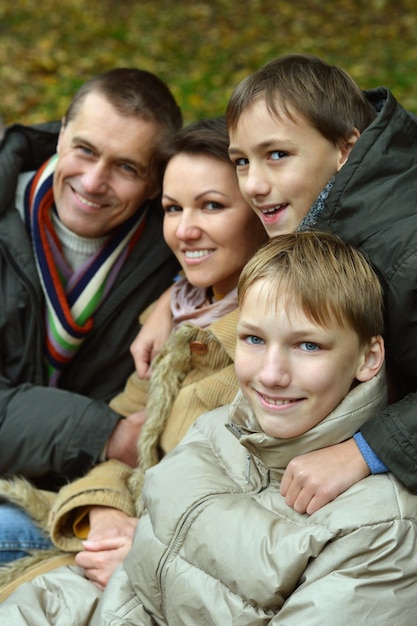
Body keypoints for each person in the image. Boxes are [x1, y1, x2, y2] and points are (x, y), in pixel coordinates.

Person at [4, 231, 417, 624]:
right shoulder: (214, 429)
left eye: (308, 345)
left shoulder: (381, 528)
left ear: (368, 358)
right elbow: (133, 584)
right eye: (253, 339)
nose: (271, 374)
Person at [0, 117, 267, 593]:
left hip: (174, 565)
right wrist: (102, 513)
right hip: (105, 526)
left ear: (263, 207)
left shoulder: (277, 337)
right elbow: (127, 437)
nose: (185, 230)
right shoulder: (180, 308)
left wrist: (149, 552)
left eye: (211, 206)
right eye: (172, 208)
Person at [0, 67, 183, 562]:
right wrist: (104, 435)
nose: (94, 181)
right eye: (84, 149)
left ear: (154, 184)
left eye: (127, 167)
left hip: (92, 501)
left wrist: (177, 290)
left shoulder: (177, 249)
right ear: (60, 133)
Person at [223, 53, 417, 514]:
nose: (251, 184)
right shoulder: (319, 212)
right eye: (241, 161)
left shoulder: (403, 254)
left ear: (346, 149)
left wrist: (364, 452)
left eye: (277, 155)